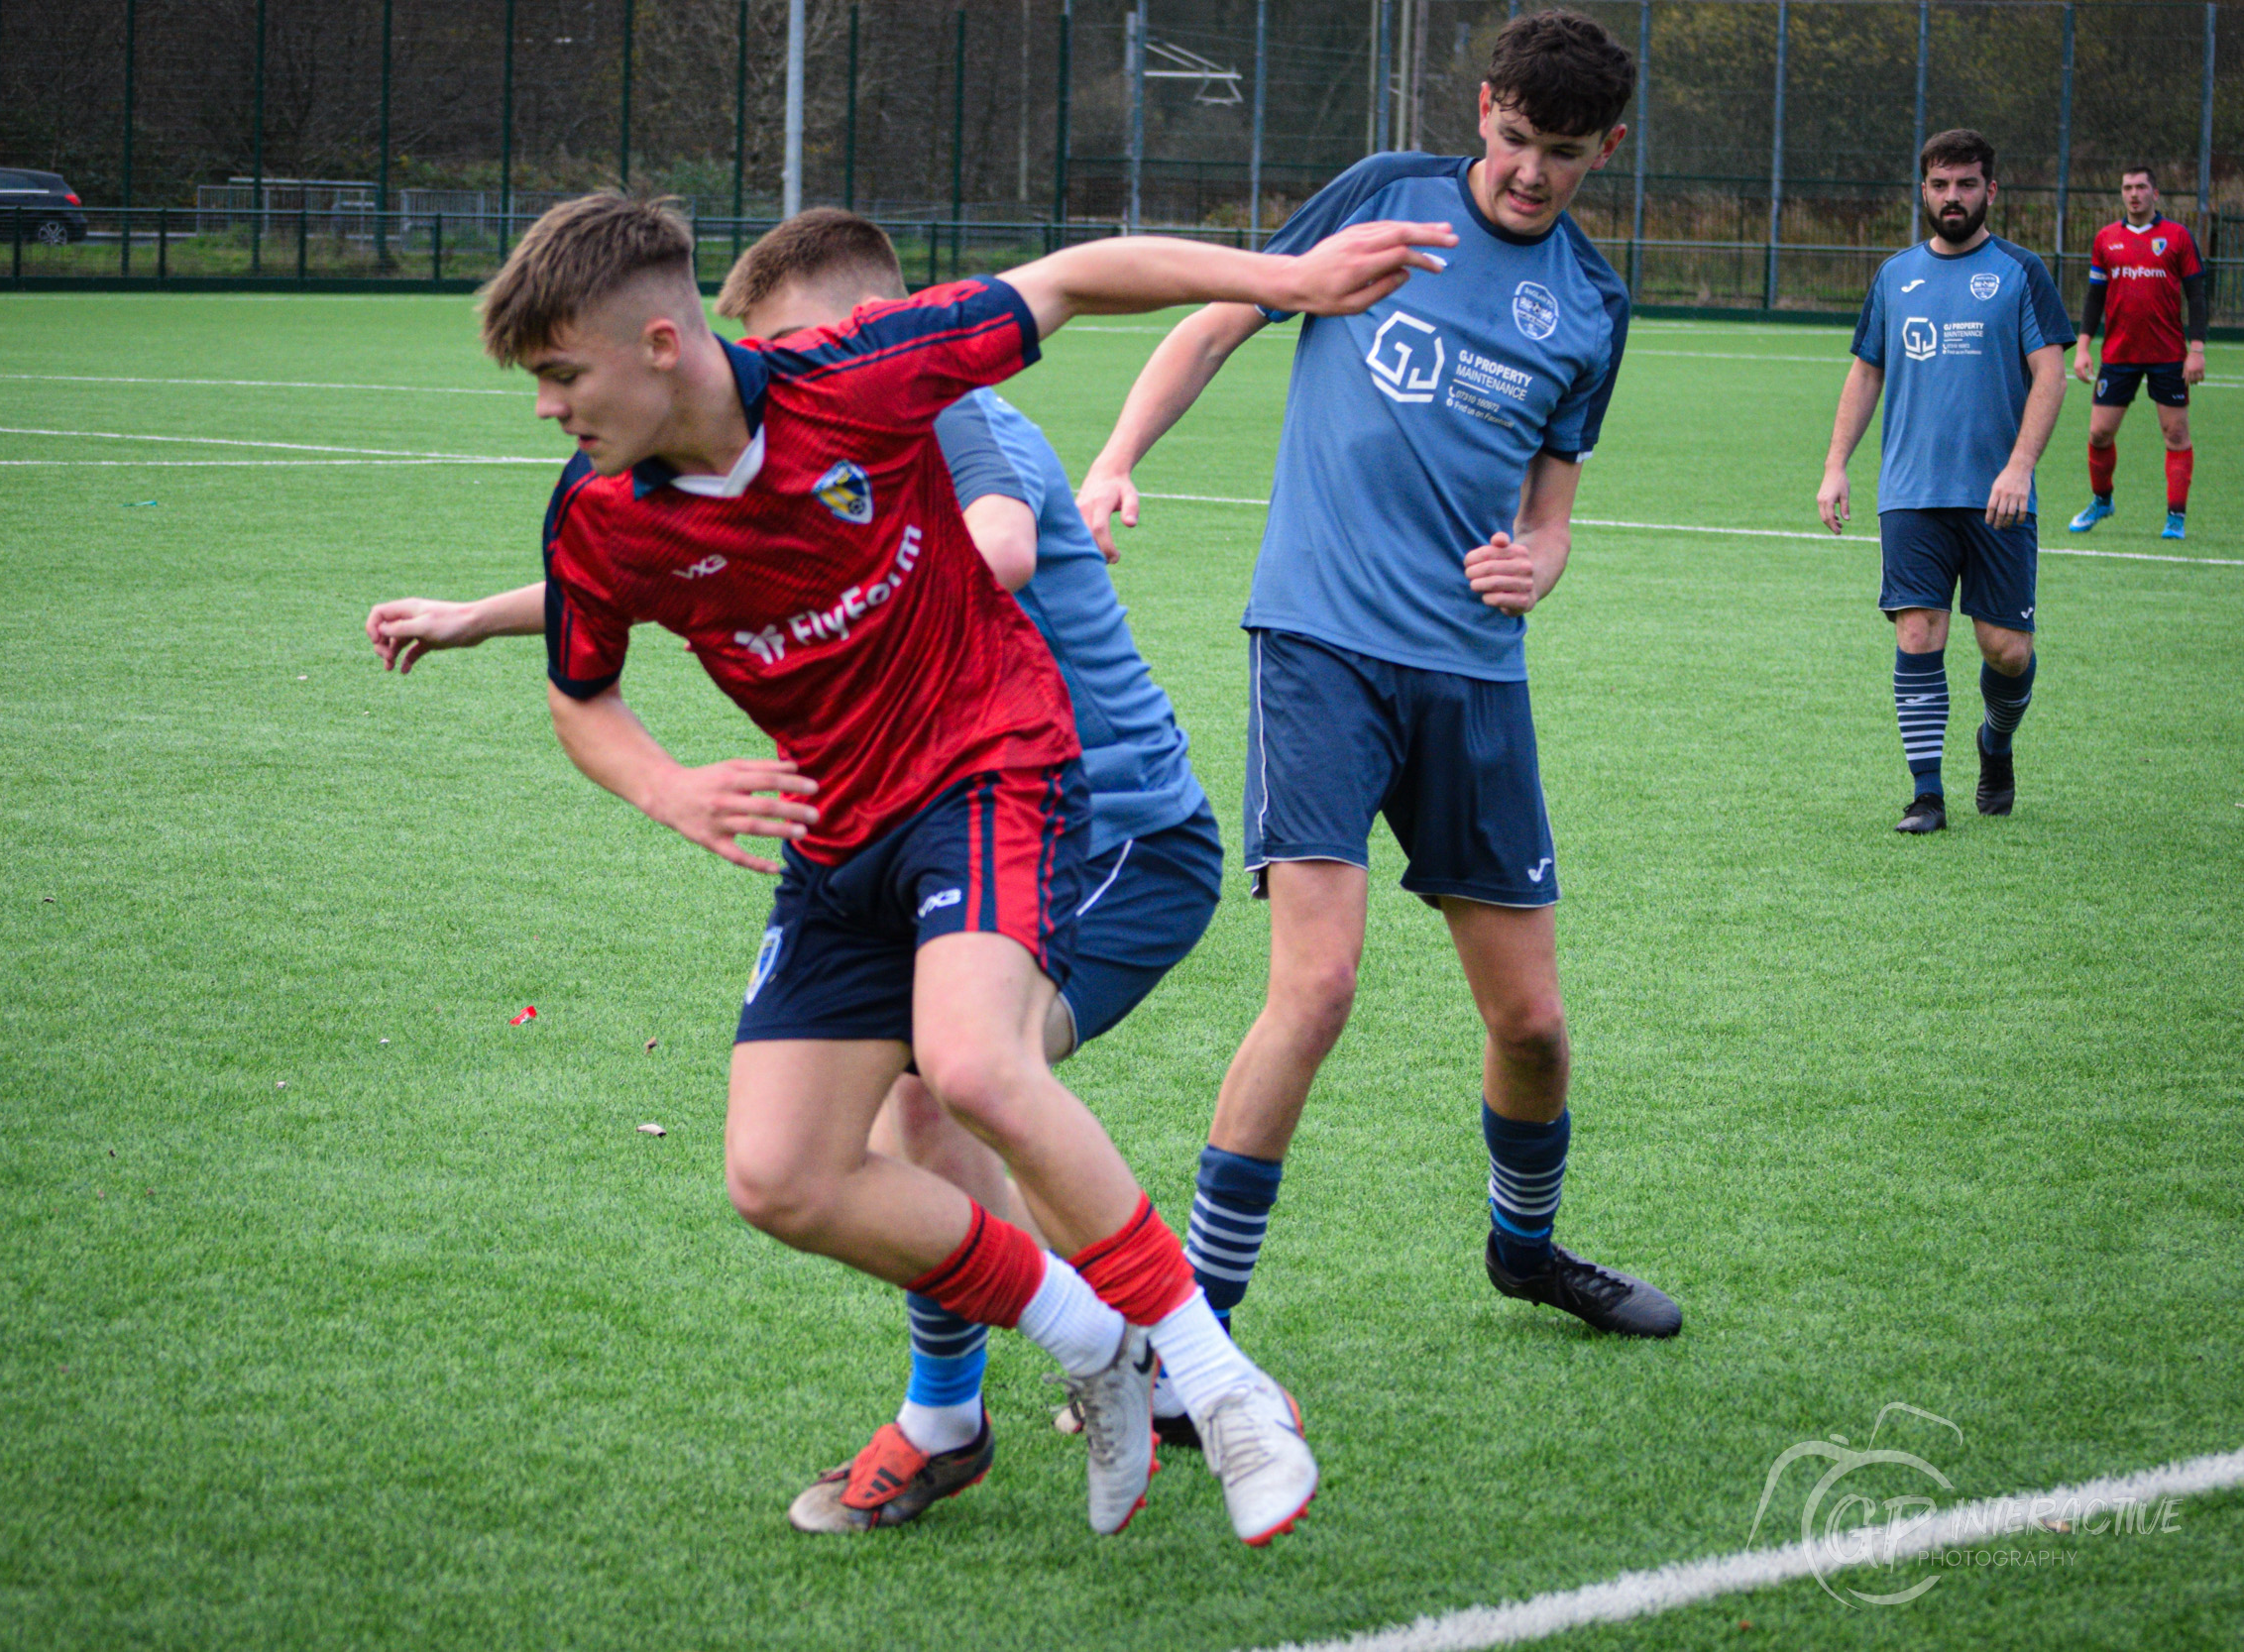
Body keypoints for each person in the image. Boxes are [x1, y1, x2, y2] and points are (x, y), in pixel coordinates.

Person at [451, 192, 1456, 1543]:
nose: (546, 408)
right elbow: (585, 686)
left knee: (970, 1067)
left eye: (561, 374)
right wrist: (666, 781)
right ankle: (1081, 1332)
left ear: (659, 343)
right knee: (783, 1173)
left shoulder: (860, 376)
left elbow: (1079, 276)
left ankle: (1222, 1387)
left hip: (994, 763)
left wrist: (1296, 275)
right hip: (839, 836)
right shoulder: (598, 516)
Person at [1071, 7, 1680, 1427]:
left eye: (1566, 154)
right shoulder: (1386, 201)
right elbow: (1225, 319)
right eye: (1518, 140)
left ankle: (1523, 1252)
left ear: (1609, 151)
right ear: (1484, 111)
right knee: (1320, 983)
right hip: (1323, 648)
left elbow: (1553, 512)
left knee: (1530, 1019)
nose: (1532, 174)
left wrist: (1542, 562)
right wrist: (1110, 461)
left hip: (1473, 672)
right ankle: (1190, 1343)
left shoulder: (1591, 303)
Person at [1819, 128, 2074, 834]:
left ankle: (1995, 741)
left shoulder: (2022, 272)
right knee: (1918, 633)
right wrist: (1837, 463)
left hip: (1998, 494)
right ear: (1923, 191)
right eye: (1939, 185)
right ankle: (1926, 794)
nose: (1952, 197)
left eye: (1966, 184)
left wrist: (2020, 466)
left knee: (2005, 648)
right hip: (1910, 491)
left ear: (1991, 191)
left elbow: (2050, 373)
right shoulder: (1895, 275)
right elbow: (1866, 370)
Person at [2067, 165, 2209, 541]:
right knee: (2099, 433)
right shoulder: (2106, 239)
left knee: (2175, 433)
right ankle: (2102, 500)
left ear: (2155, 193)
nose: (2134, 194)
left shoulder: (2177, 237)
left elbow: (2196, 295)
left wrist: (2196, 349)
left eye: (2141, 187)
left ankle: (2175, 517)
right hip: (2118, 353)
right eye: (2128, 187)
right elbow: (2095, 296)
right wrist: (2083, 347)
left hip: (2168, 354)